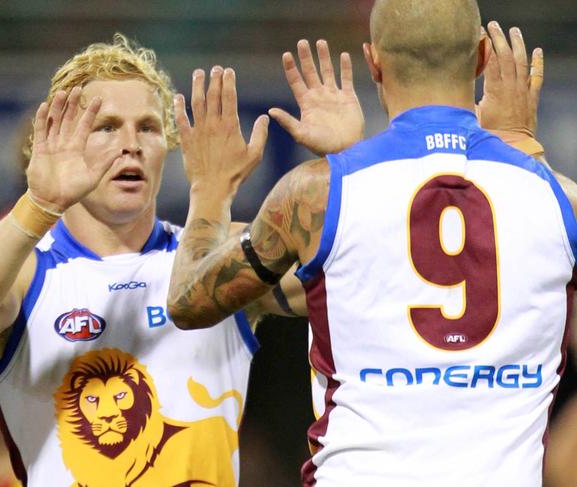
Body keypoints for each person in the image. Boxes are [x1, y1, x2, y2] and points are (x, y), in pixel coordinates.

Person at [167, 1, 574, 485]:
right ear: (482, 57)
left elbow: (189, 300)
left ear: (373, 60)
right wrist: (525, 149)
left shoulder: (317, 192)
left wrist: (210, 190)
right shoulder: (560, 200)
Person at [0, 34, 321, 486]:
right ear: (62, 142)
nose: (131, 143)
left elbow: (346, 277)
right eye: (107, 126)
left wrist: (343, 162)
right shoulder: (30, 272)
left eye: (149, 127)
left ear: (167, 146)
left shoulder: (218, 255)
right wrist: (38, 205)